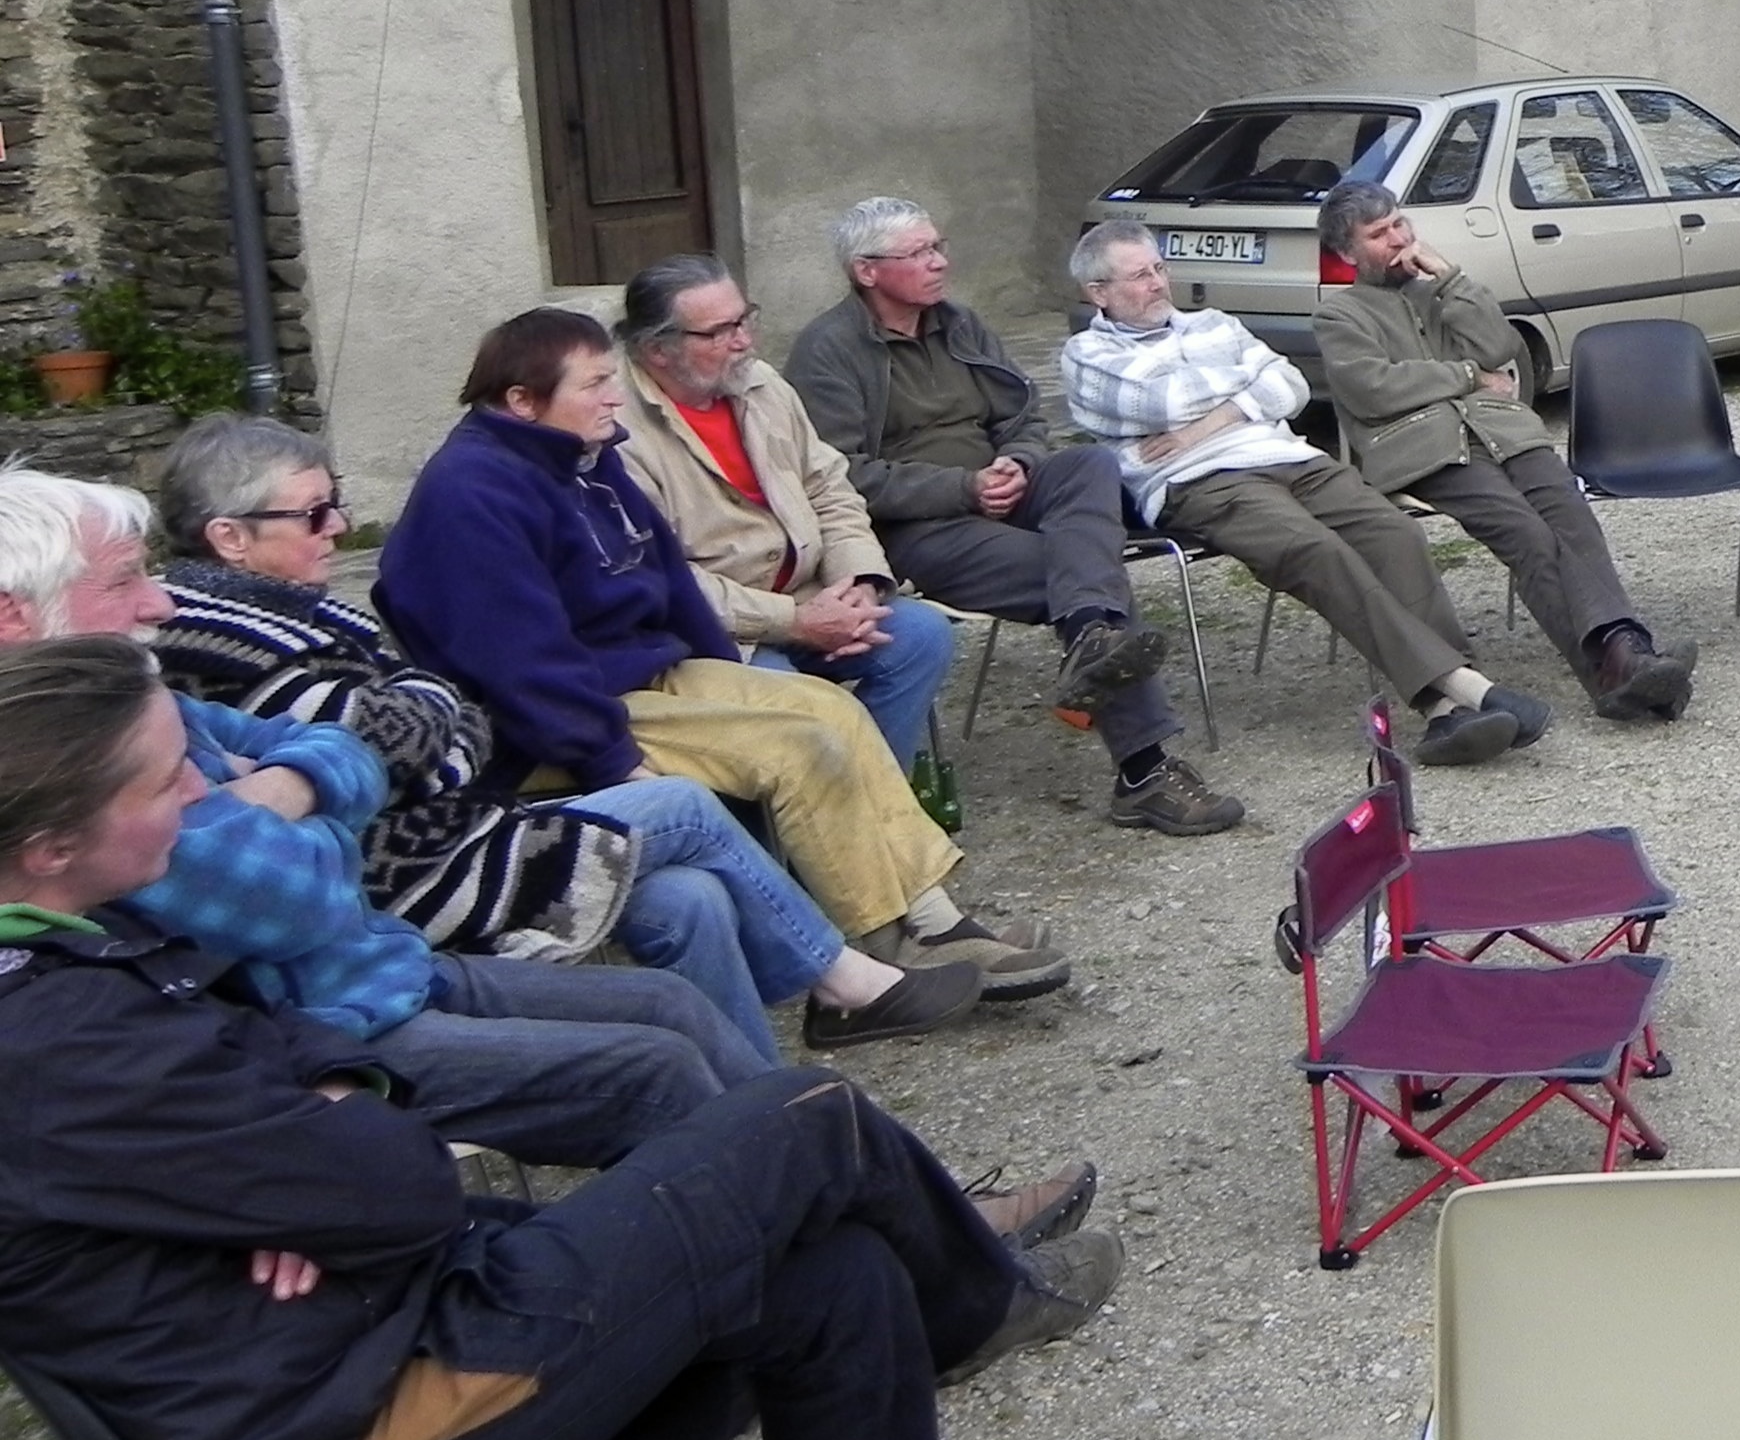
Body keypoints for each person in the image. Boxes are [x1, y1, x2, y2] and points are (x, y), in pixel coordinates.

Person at [0, 631, 1112, 1440]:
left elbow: (288, 1033)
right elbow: (405, 1191)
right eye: (167, 781)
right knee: (809, 1120)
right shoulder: (57, 1043)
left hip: (365, 1323)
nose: (204, 794)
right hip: (342, 1431)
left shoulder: (78, 944)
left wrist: (326, 1121)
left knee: (842, 1280)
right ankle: (979, 1303)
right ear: (50, 845)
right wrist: (325, 1162)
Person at [0, 474, 804, 1164]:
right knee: (655, 1056)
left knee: (670, 994)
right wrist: (331, 801)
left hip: (389, 955)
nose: (160, 601)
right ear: (13, 615)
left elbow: (366, 741)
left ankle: (827, 1155)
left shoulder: (139, 694)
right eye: (123, 580)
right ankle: (797, 1199)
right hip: (328, 1029)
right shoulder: (68, 771)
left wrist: (288, 788)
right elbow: (308, 895)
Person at [146, 418, 979, 1056]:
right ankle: (848, 983)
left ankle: (757, 1100)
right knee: (683, 804)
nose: (337, 526)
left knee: (690, 896)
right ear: (230, 537)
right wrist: (431, 724)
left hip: (458, 823)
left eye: (337, 504)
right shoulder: (223, 641)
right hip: (412, 871)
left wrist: (427, 723)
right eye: (314, 513)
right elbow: (420, 742)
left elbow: (442, 723)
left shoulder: (297, 610)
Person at [376, 308, 1071, 1002]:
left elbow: (668, 580)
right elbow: (519, 667)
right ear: (522, 401)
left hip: (637, 671)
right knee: (797, 746)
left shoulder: (580, 456)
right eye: (593, 386)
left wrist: (726, 670)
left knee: (830, 710)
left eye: (611, 379)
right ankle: (882, 954)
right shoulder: (473, 494)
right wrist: (609, 759)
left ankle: (935, 923)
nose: (614, 398)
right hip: (551, 721)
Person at [786, 199, 1239, 839]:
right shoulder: (828, 351)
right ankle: (1143, 770)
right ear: (866, 270)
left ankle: (1092, 639)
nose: (939, 262)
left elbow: (1024, 415)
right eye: (919, 253)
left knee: (1088, 466)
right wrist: (962, 489)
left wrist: (1017, 462)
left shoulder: (959, 324)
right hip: (922, 527)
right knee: (1085, 574)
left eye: (938, 246)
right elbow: (839, 475)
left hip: (1001, 487)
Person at [1058, 220, 1549, 768]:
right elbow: (1162, 404)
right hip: (1199, 480)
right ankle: (1466, 692)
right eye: (1139, 276)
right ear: (1098, 292)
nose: (1157, 284)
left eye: (1159, 269)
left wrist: (1205, 424)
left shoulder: (1213, 323)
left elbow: (1289, 386)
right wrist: (1243, 393)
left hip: (1290, 458)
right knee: (1316, 551)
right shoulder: (1086, 356)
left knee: (1394, 532)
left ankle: (1448, 711)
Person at [1314, 178, 1696, 721]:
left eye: (1400, 223)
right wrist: (1469, 376)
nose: (1399, 239)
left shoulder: (1440, 292)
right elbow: (1375, 389)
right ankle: (1614, 670)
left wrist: (1449, 278)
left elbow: (1500, 346)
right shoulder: (1339, 316)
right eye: (1379, 234)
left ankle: (1628, 658)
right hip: (1428, 450)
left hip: (1506, 432)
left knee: (1572, 518)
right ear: (1348, 253)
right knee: (1528, 536)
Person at [614, 253, 958, 771]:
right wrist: (795, 622)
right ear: (656, 350)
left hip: (813, 595)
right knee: (797, 704)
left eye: (745, 319)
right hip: (719, 634)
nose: (744, 342)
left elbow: (829, 488)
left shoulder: (760, 384)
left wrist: (858, 584)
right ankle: (819, 809)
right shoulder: (620, 433)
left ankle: (876, 796)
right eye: (719, 332)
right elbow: (665, 582)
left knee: (923, 636)